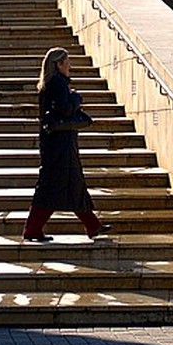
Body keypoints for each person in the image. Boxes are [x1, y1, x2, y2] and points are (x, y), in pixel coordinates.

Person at [22, 47, 112, 243]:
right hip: (59, 145)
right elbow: (64, 109)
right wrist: (76, 99)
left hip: (57, 143)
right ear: (59, 64)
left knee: (73, 184)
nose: (70, 66)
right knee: (52, 186)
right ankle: (33, 229)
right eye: (67, 62)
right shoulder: (58, 83)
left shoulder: (49, 84)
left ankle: (92, 225)